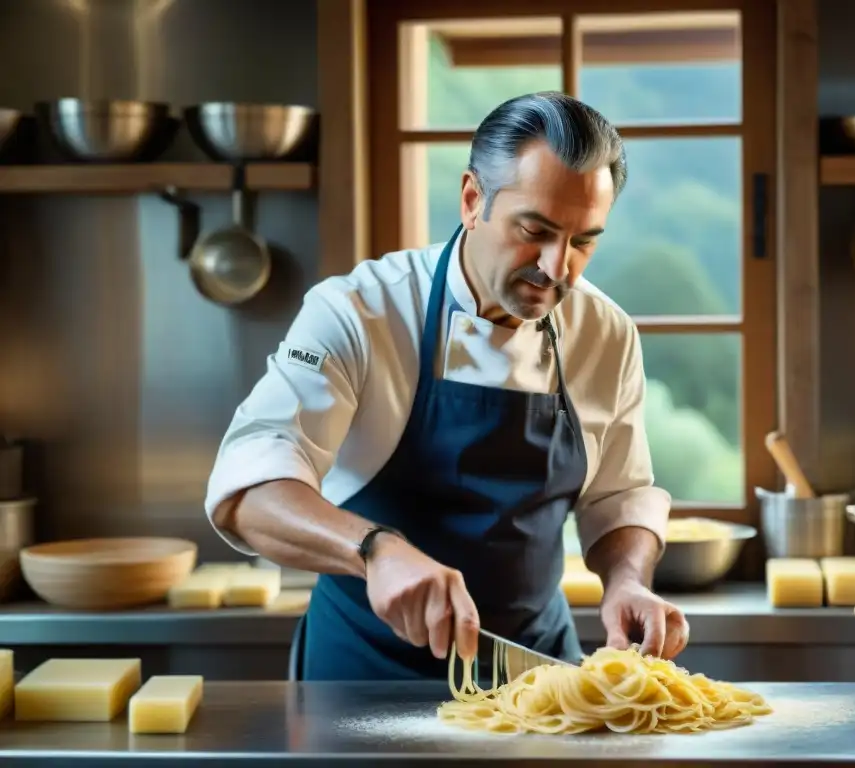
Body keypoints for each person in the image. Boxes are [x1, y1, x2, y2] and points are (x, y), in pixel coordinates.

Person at [204, 91, 688, 682]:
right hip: (364, 677)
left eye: (584, 240)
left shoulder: (605, 332)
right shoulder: (360, 311)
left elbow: (618, 496)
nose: (558, 267)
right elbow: (250, 490)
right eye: (535, 230)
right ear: (471, 200)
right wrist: (374, 550)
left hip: (536, 677)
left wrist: (627, 580)